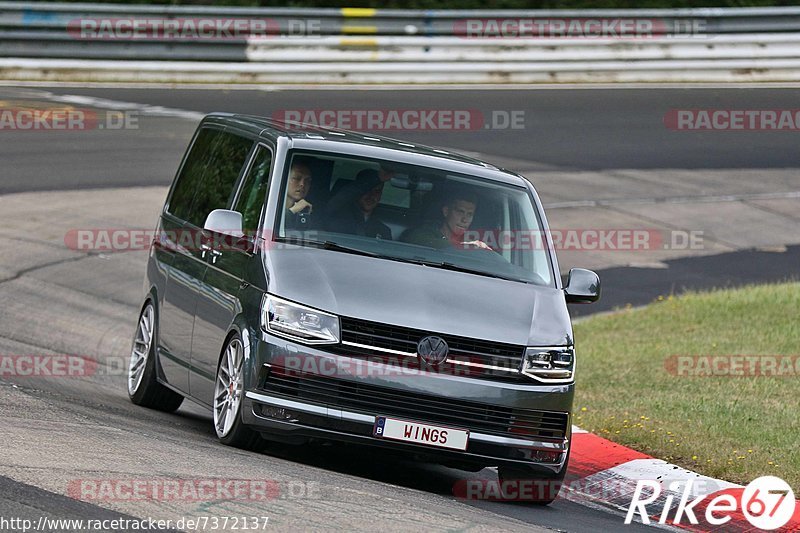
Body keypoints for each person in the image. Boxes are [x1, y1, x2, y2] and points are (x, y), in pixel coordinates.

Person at [402, 189, 491, 250]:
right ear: (446, 211)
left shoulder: (472, 241)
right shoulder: (423, 233)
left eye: (469, 214)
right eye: (460, 212)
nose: (464, 220)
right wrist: (471, 247)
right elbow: (425, 242)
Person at [324, 167, 394, 239]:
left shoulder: (384, 231)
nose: (371, 195)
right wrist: (378, 178)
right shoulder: (335, 215)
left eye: (377, 191)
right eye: (367, 190)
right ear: (357, 191)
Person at [284, 158, 314, 231]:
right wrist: (292, 211)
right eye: (297, 178)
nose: (302, 184)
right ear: (284, 179)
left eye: (307, 181)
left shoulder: (311, 212)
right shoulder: (270, 207)